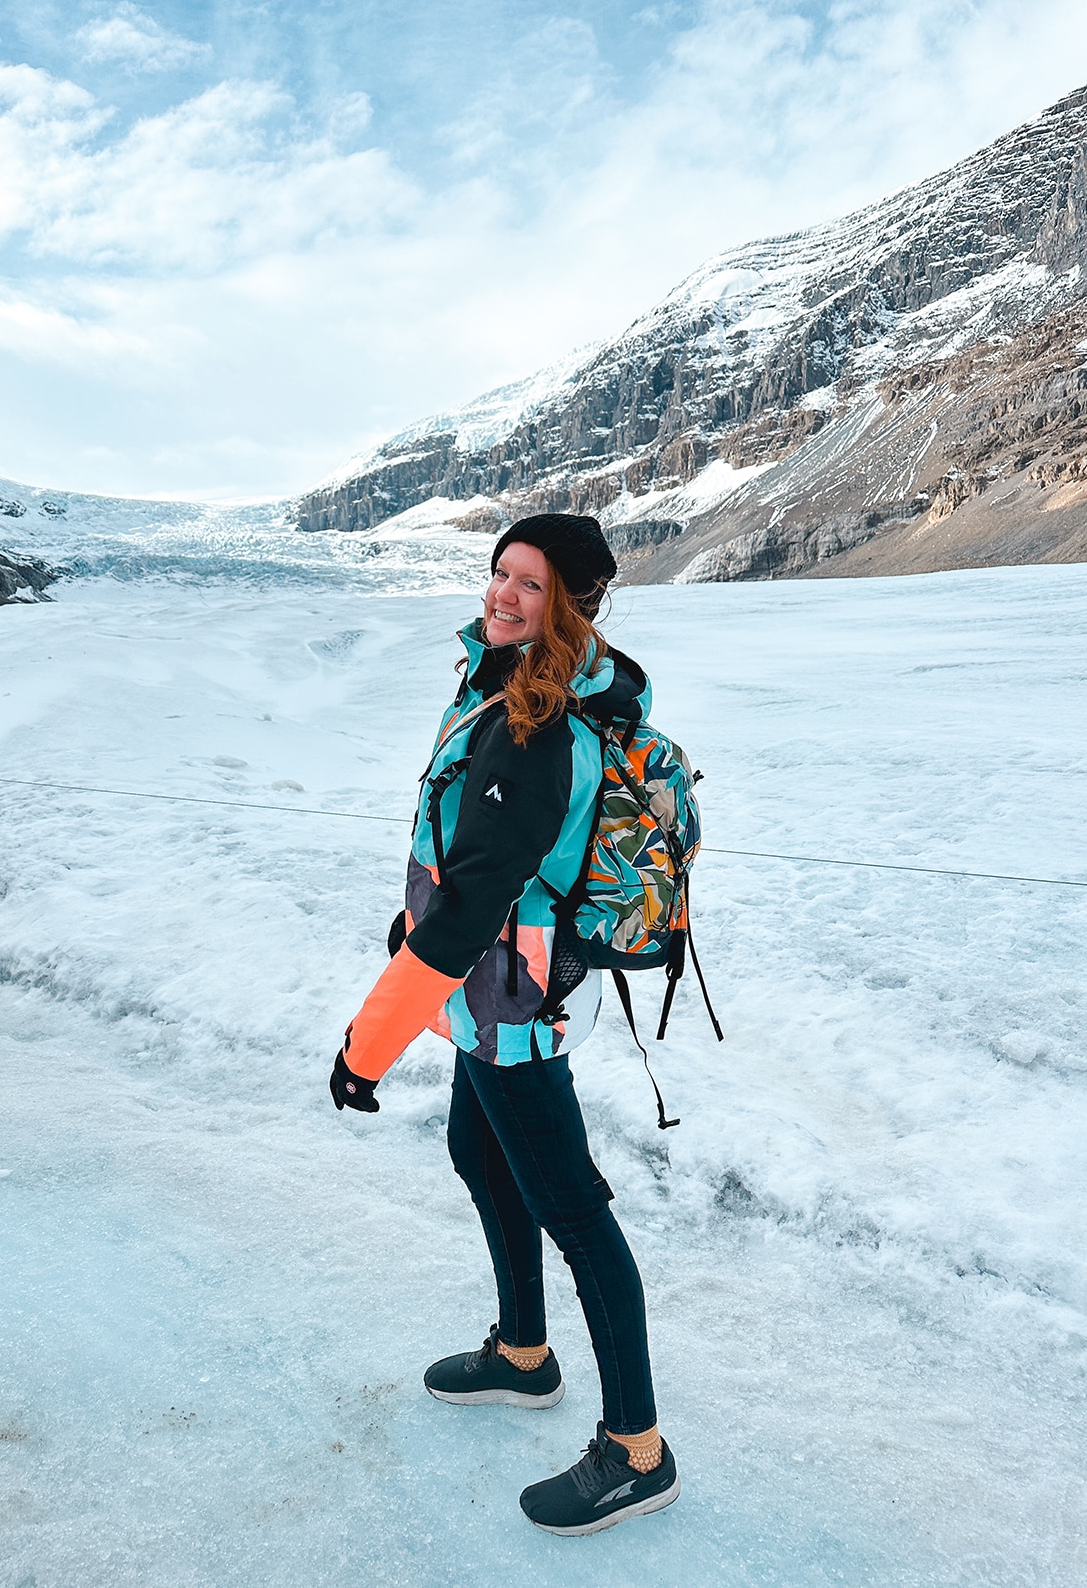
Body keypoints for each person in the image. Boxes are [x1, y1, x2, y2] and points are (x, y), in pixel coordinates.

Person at [329, 513, 680, 1537]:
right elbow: (456, 866)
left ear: (567, 603)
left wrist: (367, 1045)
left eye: (529, 582)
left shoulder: (537, 728)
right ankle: (523, 1350)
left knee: (572, 1209)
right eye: (498, 571)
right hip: (476, 993)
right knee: (476, 1153)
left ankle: (635, 1449)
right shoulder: (497, 684)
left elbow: (474, 901)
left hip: (505, 1001)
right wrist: (415, 928)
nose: (502, 592)